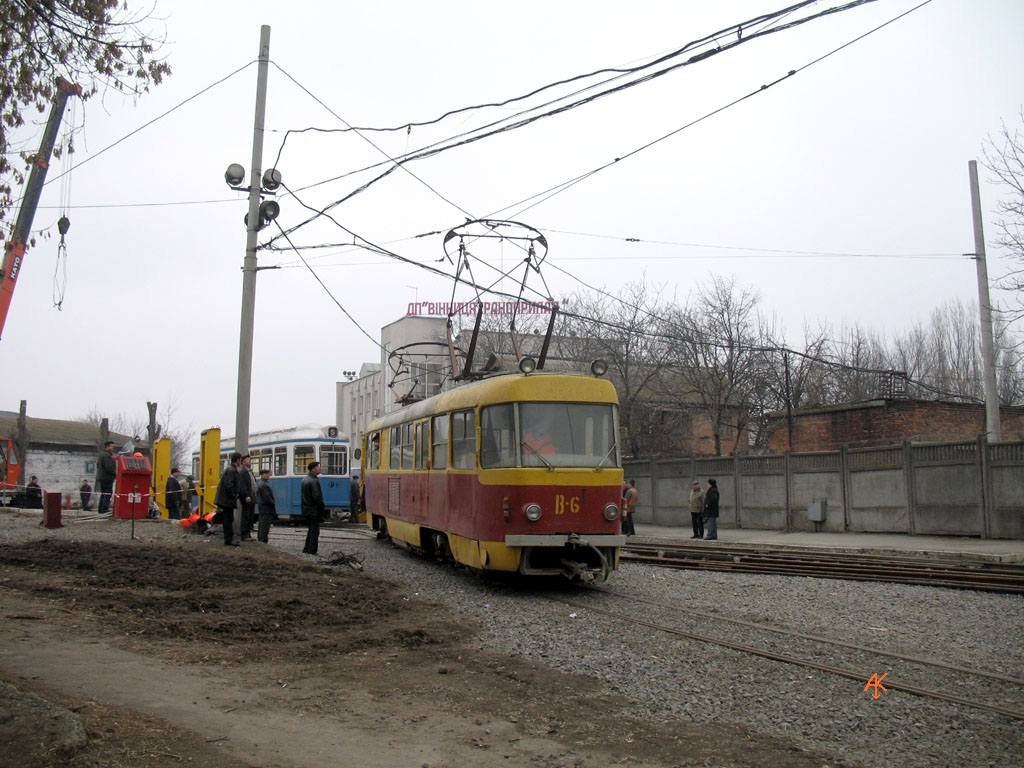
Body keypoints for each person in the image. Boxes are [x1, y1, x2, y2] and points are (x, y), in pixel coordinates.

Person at [214, 452, 242, 546]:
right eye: (240, 460)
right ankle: (228, 539)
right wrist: (234, 495)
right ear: (237, 460)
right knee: (228, 519)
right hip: (227, 500)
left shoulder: (230, 469)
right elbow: (229, 485)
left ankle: (229, 538)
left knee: (228, 519)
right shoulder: (232, 470)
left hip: (225, 499)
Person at [301, 461, 326, 555]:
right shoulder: (314, 481)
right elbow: (317, 497)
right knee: (314, 531)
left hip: (307, 508)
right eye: (318, 467)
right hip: (314, 509)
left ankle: (307, 548)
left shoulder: (305, 479)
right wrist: (322, 506)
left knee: (311, 529)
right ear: (313, 469)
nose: (319, 469)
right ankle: (312, 549)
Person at [238, 455, 256, 542]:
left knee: (249, 515)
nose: (250, 461)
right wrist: (246, 495)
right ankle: (244, 534)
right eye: (248, 460)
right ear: (243, 462)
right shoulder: (243, 472)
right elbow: (243, 486)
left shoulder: (249, 472)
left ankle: (248, 533)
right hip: (247, 497)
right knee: (246, 515)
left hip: (251, 495)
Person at [256, 467, 276, 543]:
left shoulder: (262, 483)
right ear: (262, 475)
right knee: (265, 524)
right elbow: (267, 496)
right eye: (267, 474)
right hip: (266, 507)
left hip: (263, 507)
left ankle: (261, 538)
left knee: (262, 523)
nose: (269, 475)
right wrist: (272, 503)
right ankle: (263, 539)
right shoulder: (264, 484)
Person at [96, 440, 117, 514]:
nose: (113, 447)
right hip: (107, 477)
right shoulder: (107, 455)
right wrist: (115, 473)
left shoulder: (101, 454)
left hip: (102, 477)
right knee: (108, 493)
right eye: (112, 446)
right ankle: (105, 508)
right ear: (107, 447)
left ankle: (100, 508)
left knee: (103, 493)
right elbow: (108, 467)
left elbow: (98, 464)